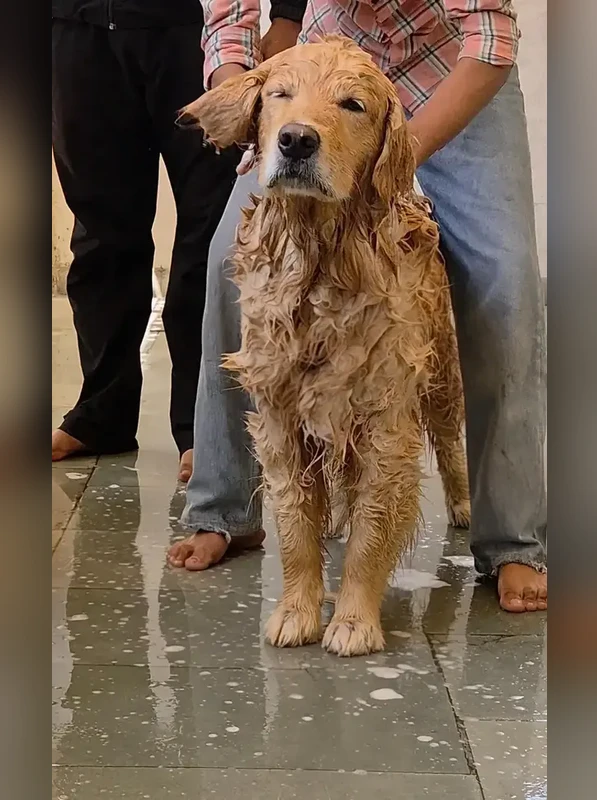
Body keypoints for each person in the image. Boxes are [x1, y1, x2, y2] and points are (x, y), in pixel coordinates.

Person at [168, 0, 547, 613]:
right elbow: (229, 19)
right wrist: (252, 108)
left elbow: (490, 40)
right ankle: (225, 507)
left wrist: (388, 158)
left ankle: (512, 542)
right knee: (222, 264)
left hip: (453, 68)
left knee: (505, 284)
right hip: (327, 68)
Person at [51, 0, 305, 481]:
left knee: (209, 235)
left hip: (195, 30)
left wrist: (289, 13)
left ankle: (202, 426)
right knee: (98, 230)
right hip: (75, 27)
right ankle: (101, 412)